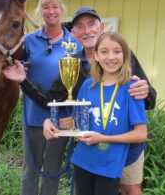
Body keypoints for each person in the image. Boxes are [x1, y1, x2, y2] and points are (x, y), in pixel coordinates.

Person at [3, 7, 156, 195]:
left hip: (127, 145)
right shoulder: (72, 65)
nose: (87, 30)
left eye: (91, 24)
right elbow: (54, 99)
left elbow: (150, 99)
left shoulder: (122, 55)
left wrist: (145, 91)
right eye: (80, 27)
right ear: (73, 34)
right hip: (91, 151)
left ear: (101, 27)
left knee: (131, 189)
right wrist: (24, 82)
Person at [62, 31, 147, 195]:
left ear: (125, 55)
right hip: (83, 160)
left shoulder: (132, 88)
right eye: (104, 51)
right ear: (96, 56)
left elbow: (141, 134)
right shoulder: (87, 86)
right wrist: (52, 123)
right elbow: (76, 122)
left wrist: (104, 138)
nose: (111, 57)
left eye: (117, 51)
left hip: (110, 163)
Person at [15, 0, 82, 195]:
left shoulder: (74, 44)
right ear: (40, 11)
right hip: (34, 116)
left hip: (60, 119)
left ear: (62, 10)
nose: (50, 11)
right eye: (46, 7)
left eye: (55, 6)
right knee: (30, 169)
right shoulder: (30, 41)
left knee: (52, 170)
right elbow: (19, 67)